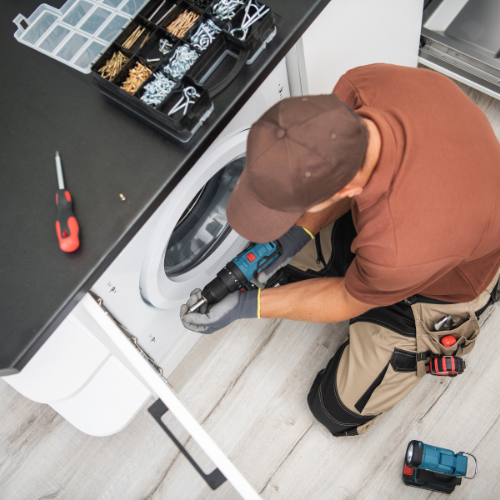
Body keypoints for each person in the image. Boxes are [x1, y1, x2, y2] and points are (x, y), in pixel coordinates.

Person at [181, 63, 500, 436]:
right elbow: (349, 168)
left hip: (439, 286)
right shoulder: (363, 85)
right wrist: (295, 235)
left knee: (333, 411)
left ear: (345, 193)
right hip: (410, 224)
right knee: (284, 263)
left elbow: (346, 300)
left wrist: (246, 307)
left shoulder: (398, 250)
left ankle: (427, 335)